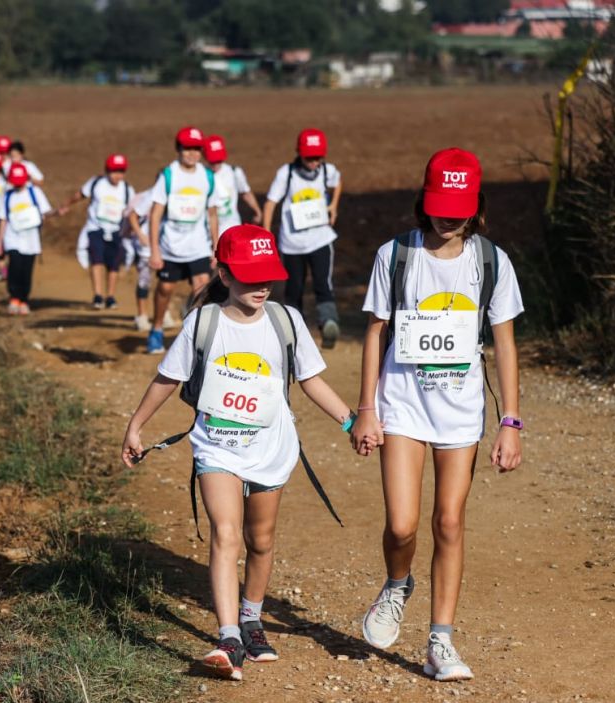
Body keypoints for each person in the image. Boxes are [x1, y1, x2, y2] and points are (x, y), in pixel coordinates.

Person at [121, 224, 357, 682]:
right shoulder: (203, 323)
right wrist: (136, 426)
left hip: (271, 447)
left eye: (267, 274)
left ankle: (251, 617)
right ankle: (229, 637)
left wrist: (350, 421)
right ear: (224, 274)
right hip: (217, 447)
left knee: (261, 540)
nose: (262, 285)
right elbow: (169, 378)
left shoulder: (285, 321)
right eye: (249, 276)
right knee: (225, 534)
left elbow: (310, 380)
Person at [350, 148, 524, 682]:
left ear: (477, 206)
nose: (450, 217)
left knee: (449, 521)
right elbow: (376, 329)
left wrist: (511, 421)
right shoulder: (395, 255)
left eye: (462, 207)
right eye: (441, 205)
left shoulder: (491, 261)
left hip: (460, 412)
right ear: (423, 201)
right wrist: (366, 410)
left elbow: (505, 342)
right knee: (402, 525)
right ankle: (397, 584)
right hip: (402, 404)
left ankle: (440, 641)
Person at [261, 128, 344, 349]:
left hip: (321, 239)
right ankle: (294, 332)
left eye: (318, 157)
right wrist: (267, 236)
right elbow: (270, 203)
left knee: (322, 284)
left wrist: (334, 206)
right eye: (310, 157)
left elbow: (337, 183)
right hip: (292, 245)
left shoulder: (328, 171)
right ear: (299, 153)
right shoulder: (286, 174)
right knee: (294, 289)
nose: (314, 162)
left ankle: (328, 323)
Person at [146, 126, 219, 354]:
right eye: (187, 148)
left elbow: (213, 213)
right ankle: (156, 329)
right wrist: (155, 250)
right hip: (170, 247)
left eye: (196, 149)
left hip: (197, 245)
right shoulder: (168, 175)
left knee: (201, 289)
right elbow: (155, 213)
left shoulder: (207, 176)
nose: (192, 153)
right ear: (179, 149)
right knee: (165, 288)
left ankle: (192, 334)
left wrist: (215, 246)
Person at [60, 153, 134, 310]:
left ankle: (111, 296)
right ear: (107, 171)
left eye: (120, 171)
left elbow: (133, 210)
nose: (117, 175)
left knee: (114, 265)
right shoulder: (96, 183)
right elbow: (80, 195)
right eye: (114, 171)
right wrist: (66, 204)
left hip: (117, 230)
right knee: (97, 261)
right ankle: (98, 295)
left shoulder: (127, 190)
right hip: (96, 228)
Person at [0, 163, 53, 315]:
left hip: (31, 240)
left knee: (26, 270)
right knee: (14, 267)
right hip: (12, 237)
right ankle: (14, 298)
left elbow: (46, 212)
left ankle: (24, 300)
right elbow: (3, 219)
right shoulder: (7, 196)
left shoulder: (35, 193)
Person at [204, 135, 262, 234]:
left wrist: (257, 211)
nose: (216, 165)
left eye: (219, 160)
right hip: (207, 229)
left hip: (231, 227)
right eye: (212, 161)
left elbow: (245, 193)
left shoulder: (234, 172)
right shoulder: (201, 174)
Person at [122, 186, 156, 330]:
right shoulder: (143, 197)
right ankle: (142, 316)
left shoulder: (176, 197)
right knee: (145, 281)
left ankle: (163, 314)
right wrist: (140, 235)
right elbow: (130, 216)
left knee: (163, 283)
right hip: (145, 248)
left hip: (166, 247)